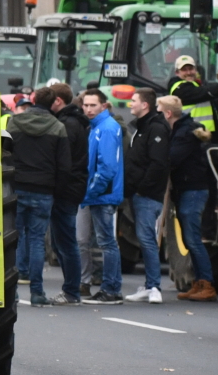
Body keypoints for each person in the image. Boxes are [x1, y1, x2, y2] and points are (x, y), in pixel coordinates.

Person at [7, 87, 70, 304]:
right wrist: (58, 191)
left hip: (17, 187)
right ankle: (37, 293)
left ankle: (11, 292)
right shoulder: (58, 127)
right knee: (36, 241)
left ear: (33, 100)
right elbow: (64, 165)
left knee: (13, 241)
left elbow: (5, 155)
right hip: (43, 190)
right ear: (54, 103)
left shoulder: (14, 123)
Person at [162, 95, 218, 300]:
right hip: (187, 189)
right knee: (189, 238)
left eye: (160, 111)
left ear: (168, 113)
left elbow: (173, 158)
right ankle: (199, 282)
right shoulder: (182, 130)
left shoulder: (184, 133)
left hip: (193, 189)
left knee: (193, 238)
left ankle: (207, 284)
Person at [123, 87, 172, 303]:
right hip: (138, 192)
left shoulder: (155, 128)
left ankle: (154, 287)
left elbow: (158, 163)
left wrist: (142, 188)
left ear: (145, 105)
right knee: (145, 239)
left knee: (147, 239)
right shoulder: (142, 128)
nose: (130, 104)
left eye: (133, 100)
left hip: (147, 194)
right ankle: (149, 285)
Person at [79, 88, 127, 304]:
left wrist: (90, 192)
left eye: (93, 105)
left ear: (104, 106)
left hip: (103, 194)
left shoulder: (105, 128)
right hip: (103, 193)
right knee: (107, 242)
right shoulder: (99, 127)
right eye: (86, 105)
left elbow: (106, 167)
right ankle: (111, 288)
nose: (88, 109)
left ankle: (111, 289)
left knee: (107, 243)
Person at [44, 82, 89, 304]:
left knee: (66, 241)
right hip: (70, 187)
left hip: (66, 189)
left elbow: (65, 160)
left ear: (58, 101)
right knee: (61, 241)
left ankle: (71, 290)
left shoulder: (67, 125)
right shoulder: (71, 122)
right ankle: (71, 288)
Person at [167, 56, 218, 132]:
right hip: (191, 136)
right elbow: (203, 92)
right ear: (177, 72)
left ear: (196, 70)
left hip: (206, 134)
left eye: (191, 69)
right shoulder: (179, 88)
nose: (189, 73)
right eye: (184, 70)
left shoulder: (199, 84)